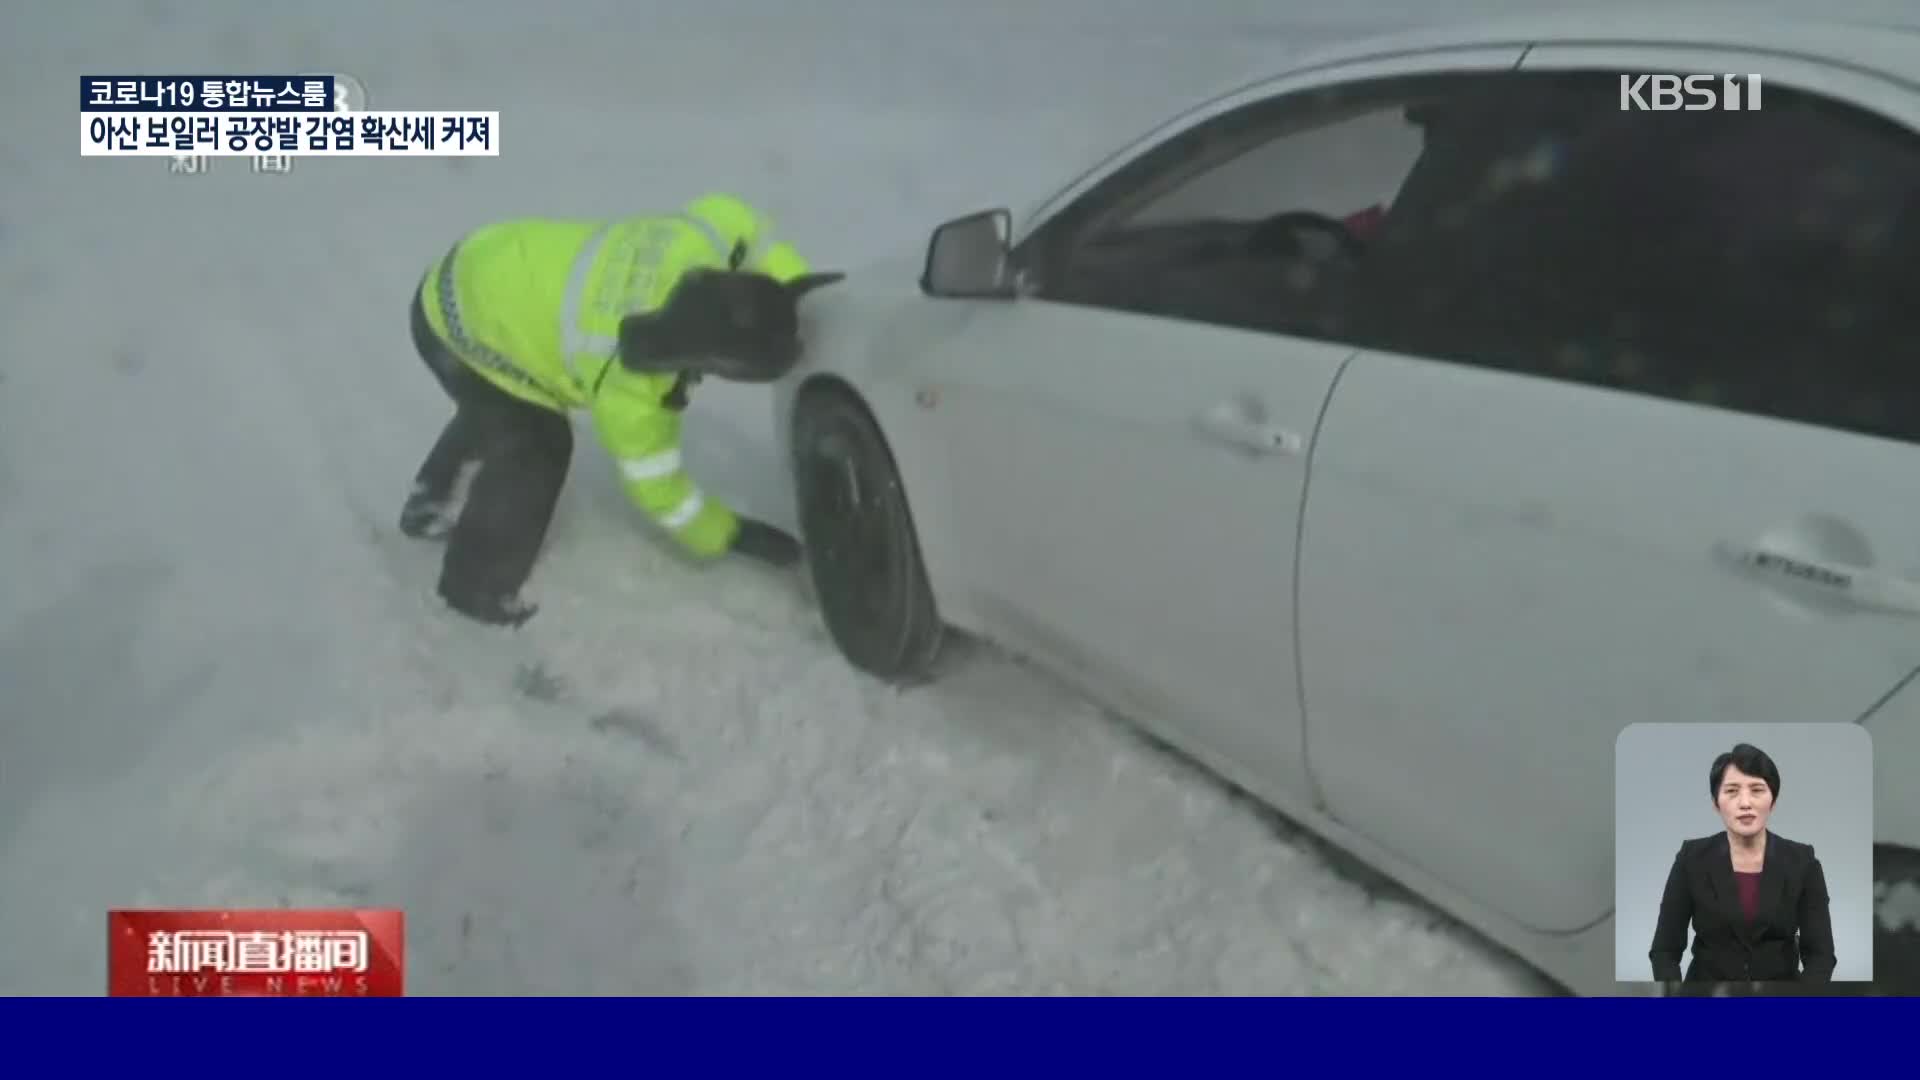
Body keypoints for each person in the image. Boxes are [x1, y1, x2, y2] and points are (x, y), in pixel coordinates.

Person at [399, 192, 843, 627]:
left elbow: (747, 227)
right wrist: (732, 533)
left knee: (495, 408)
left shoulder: (700, 238)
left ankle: (430, 505)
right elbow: (662, 494)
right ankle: (473, 587)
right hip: (458, 332)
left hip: (484, 265)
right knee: (535, 438)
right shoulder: (631, 389)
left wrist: (796, 289)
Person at [1647, 742, 1837, 987]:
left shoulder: (1802, 862)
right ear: (1716, 803)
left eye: (1757, 790)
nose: (1745, 802)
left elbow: (1820, 956)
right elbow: (1664, 951)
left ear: (1773, 801)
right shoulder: (1691, 859)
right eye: (1732, 791)